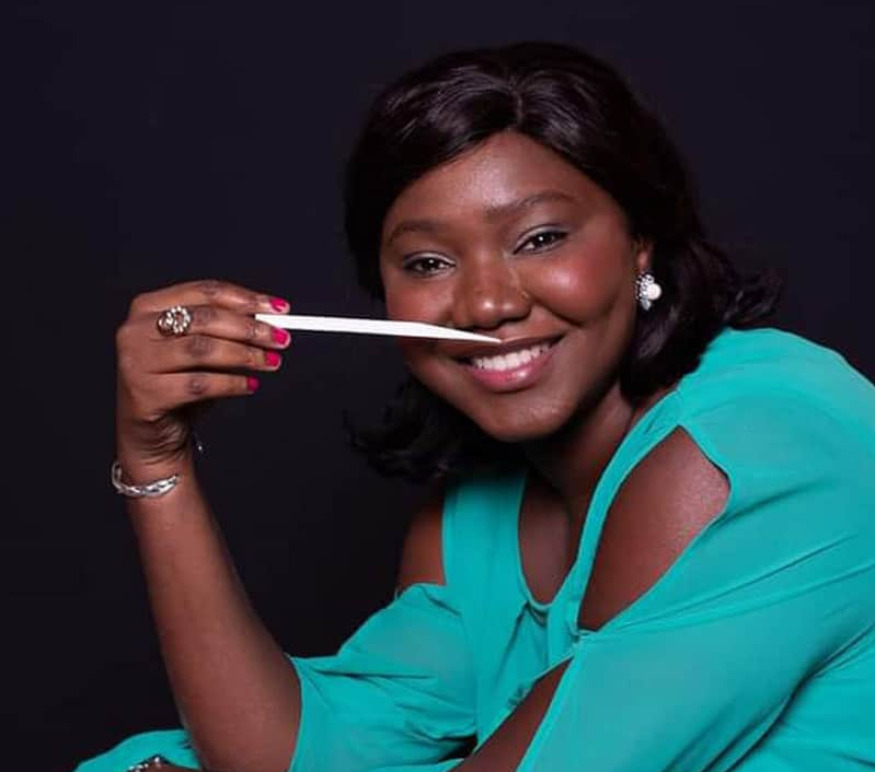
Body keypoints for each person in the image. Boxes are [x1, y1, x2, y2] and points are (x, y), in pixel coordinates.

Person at [76, 41, 875, 772]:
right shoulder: (473, 523)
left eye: (540, 239)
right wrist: (157, 460)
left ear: (640, 239)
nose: (486, 304)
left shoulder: (762, 441)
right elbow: (288, 753)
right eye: (428, 262)